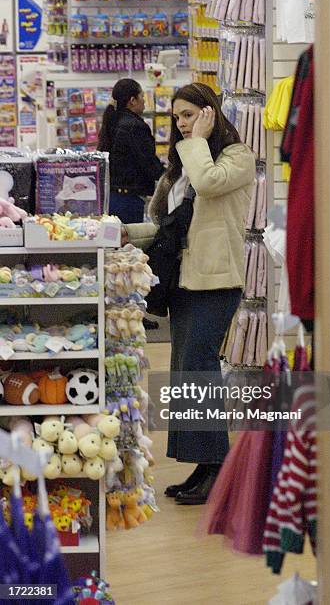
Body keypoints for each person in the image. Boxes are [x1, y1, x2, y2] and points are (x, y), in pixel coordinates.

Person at [123, 83, 256, 504]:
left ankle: (218, 469)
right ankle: (203, 465)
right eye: (177, 116)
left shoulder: (237, 157)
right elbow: (170, 225)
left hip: (216, 281)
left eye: (188, 114)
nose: (180, 123)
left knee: (199, 371)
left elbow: (209, 182)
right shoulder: (182, 163)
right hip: (183, 280)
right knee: (185, 375)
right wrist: (127, 233)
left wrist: (196, 141)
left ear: (209, 113)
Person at [98, 78, 164, 223]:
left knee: (115, 242)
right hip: (129, 200)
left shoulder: (113, 121)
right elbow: (148, 161)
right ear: (132, 100)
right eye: (142, 96)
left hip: (112, 197)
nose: (145, 101)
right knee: (129, 242)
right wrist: (169, 176)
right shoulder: (134, 126)